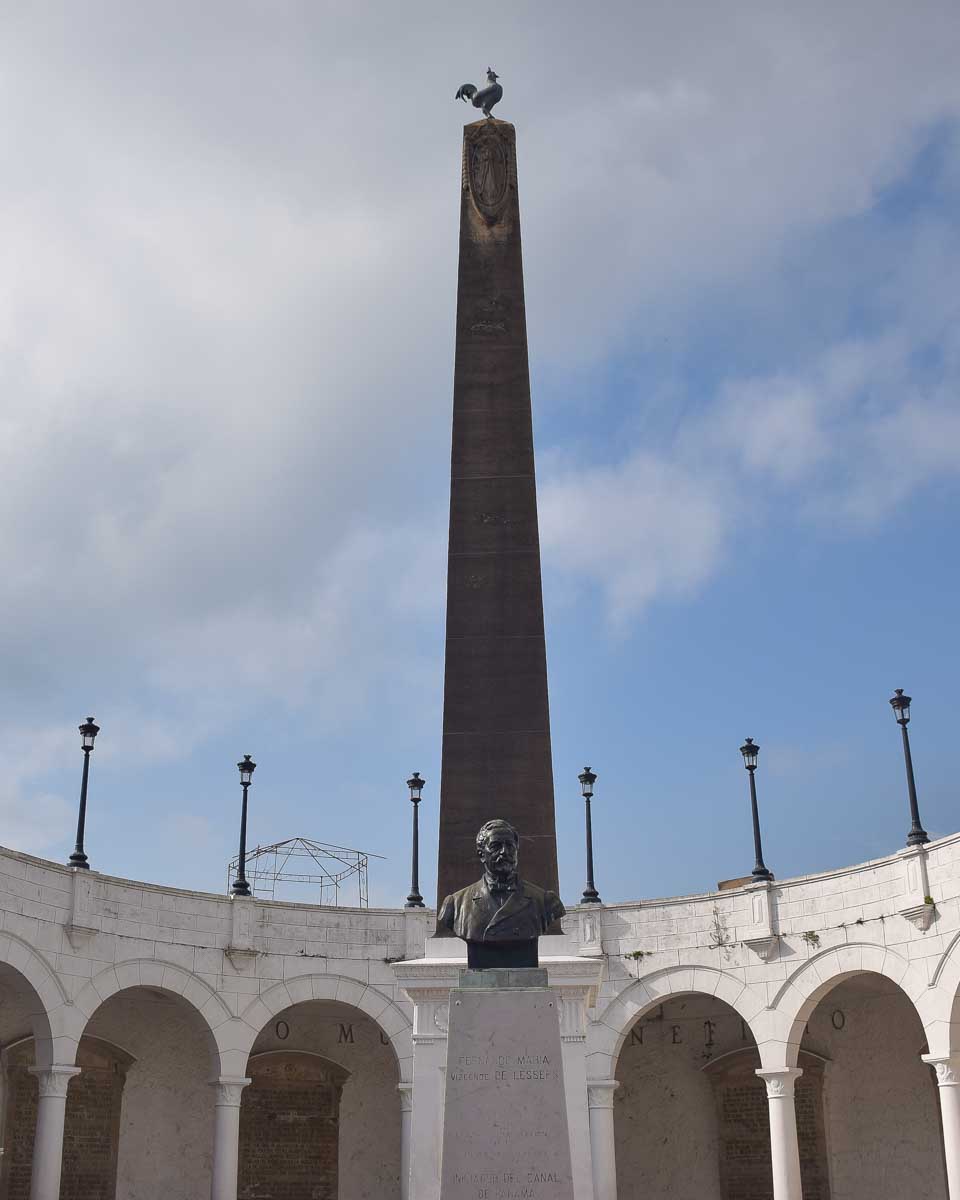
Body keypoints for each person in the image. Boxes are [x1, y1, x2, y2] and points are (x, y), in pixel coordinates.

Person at [437, 819, 565, 965]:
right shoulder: (456, 904)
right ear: (481, 854)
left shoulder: (545, 902)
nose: (504, 852)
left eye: (510, 846)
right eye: (496, 846)